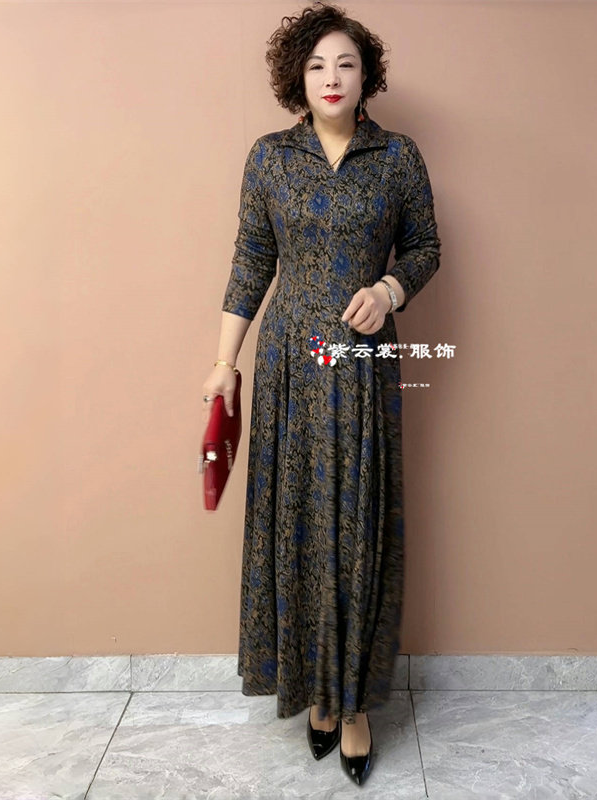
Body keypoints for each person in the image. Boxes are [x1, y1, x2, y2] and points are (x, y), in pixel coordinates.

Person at [200, 0, 440, 786]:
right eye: (316, 65)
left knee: (359, 523)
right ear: (296, 78)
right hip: (289, 369)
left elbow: (425, 246)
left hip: (361, 363)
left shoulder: (397, 157)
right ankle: (316, 694)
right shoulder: (270, 158)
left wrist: (390, 290)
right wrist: (225, 362)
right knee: (299, 524)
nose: (331, 77)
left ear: (367, 75)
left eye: (345, 64)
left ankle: (357, 702)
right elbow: (250, 260)